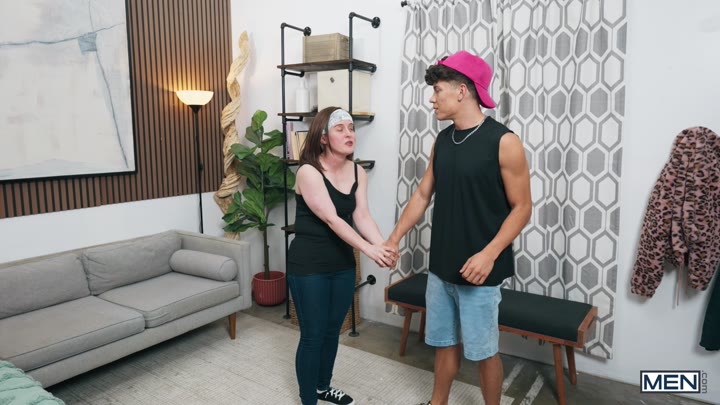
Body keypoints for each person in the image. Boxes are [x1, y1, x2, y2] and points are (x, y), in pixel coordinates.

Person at [385, 51, 532, 405]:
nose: (432, 98)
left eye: (438, 90)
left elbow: (523, 208)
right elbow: (423, 194)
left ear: (462, 90)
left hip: (481, 270)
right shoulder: (443, 140)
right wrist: (394, 238)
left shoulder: (504, 142)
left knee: (484, 352)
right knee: (443, 344)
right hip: (441, 267)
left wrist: (489, 255)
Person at [287, 106, 398, 405]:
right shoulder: (308, 172)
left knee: (332, 331)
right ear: (323, 138)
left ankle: (323, 387)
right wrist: (369, 249)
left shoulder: (357, 171)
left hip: (342, 264)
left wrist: (383, 246)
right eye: (340, 129)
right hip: (309, 265)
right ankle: (308, 399)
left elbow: (361, 215)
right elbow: (332, 219)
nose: (349, 134)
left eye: (351, 128)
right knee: (313, 335)